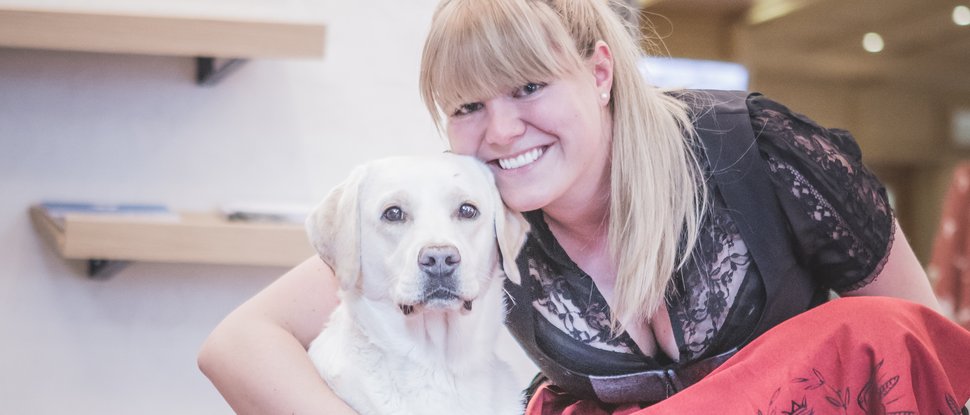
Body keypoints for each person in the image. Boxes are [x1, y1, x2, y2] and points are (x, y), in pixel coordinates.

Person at [198, 0, 970, 413]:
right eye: (468, 106)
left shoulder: (760, 151)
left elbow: (918, 349)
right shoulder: (472, 213)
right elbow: (238, 343)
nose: (502, 130)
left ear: (600, 73)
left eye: (530, 87)